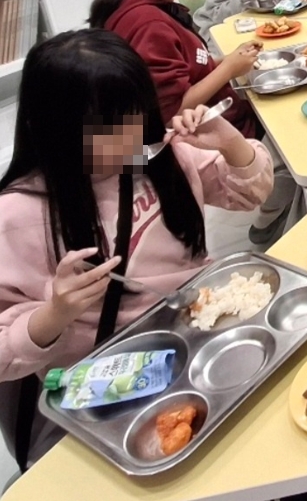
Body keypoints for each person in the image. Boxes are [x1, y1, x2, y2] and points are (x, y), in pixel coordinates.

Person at [0, 30, 273, 461]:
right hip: (115, 388)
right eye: (108, 129)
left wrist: (231, 143)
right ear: (50, 128)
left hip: (203, 336)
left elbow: (252, 194)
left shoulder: (162, 157)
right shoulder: (16, 217)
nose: (130, 139)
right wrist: (53, 315)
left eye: (136, 116)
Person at [89, 0, 258, 137]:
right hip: (211, 140)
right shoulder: (150, 24)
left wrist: (226, 61)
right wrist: (229, 69)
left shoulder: (137, 4)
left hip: (220, 123)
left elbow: (186, 70)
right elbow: (172, 112)